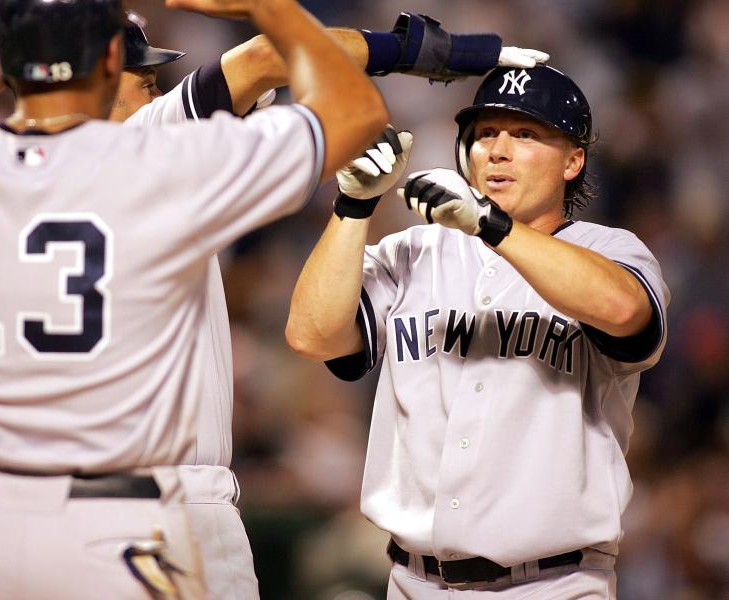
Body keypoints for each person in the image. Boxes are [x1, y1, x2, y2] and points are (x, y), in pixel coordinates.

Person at [0, 0, 391, 596]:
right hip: (116, 528)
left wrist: (28, 35)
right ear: (112, 58)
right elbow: (355, 109)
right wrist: (268, 6)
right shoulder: (163, 164)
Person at [104, 13, 551, 599]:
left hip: (48, 500)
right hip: (163, 506)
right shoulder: (138, 146)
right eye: (142, 77)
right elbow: (271, 54)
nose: (156, 88)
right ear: (94, 76)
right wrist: (430, 52)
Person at [286, 65, 670, 598]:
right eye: (486, 133)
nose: (498, 149)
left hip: (552, 584)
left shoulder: (609, 250)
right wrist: (353, 206)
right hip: (410, 580)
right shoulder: (414, 251)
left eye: (526, 134)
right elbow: (312, 334)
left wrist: (491, 225)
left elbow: (623, 308)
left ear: (573, 160)